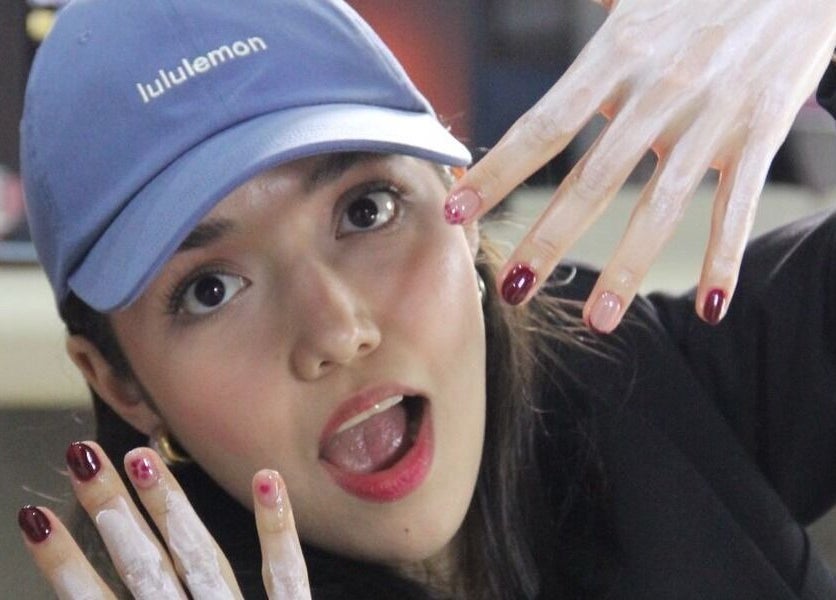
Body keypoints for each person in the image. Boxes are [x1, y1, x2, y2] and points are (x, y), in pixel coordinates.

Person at [14, 0, 836, 598]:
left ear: (459, 198)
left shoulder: (637, 376)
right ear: (119, 380)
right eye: (210, 290)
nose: (337, 330)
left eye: (366, 210)